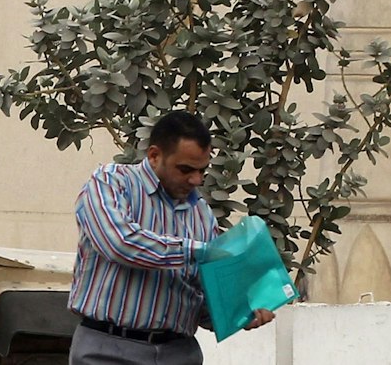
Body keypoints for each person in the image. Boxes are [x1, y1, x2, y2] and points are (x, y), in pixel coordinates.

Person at [69, 110, 274, 364]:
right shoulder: (110, 183)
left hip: (179, 353)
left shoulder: (202, 215)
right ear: (154, 155)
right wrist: (199, 251)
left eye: (202, 170)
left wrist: (242, 311)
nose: (196, 179)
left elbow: (201, 299)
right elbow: (120, 244)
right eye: (186, 169)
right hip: (109, 350)